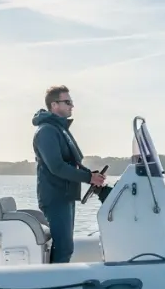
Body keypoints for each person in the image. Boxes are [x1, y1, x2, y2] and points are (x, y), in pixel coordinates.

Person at [32, 85, 109, 264]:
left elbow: (71, 162)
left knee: (66, 246)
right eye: (67, 102)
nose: (71, 106)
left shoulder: (59, 129)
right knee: (64, 246)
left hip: (65, 195)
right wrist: (88, 178)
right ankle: (53, 286)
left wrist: (91, 174)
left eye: (71, 102)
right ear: (54, 105)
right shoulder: (46, 132)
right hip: (55, 196)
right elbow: (57, 167)